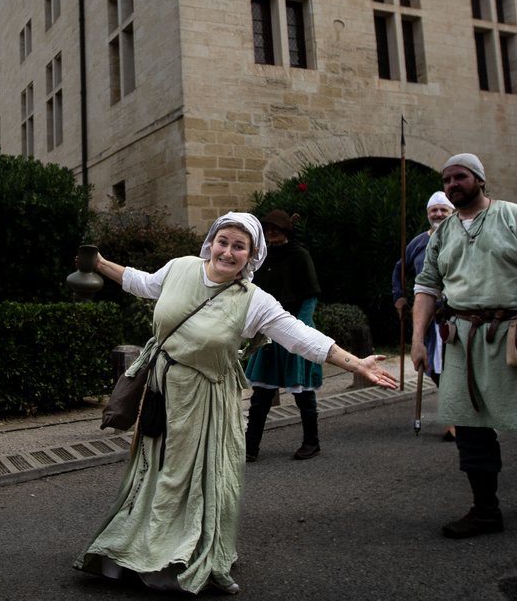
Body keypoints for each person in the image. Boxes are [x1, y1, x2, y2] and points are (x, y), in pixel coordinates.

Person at [74, 212, 398, 594]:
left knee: (185, 477)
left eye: (239, 247)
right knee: (151, 469)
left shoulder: (254, 301)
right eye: (223, 241)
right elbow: (141, 282)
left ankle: (170, 556)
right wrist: (98, 264)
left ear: (252, 256)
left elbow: (300, 336)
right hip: (162, 389)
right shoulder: (181, 268)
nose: (227, 252)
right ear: (210, 241)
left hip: (205, 399)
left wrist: (355, 362)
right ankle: (129, 548)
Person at [411, 153, 517, 539]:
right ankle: (485, 510)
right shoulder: (442, 233)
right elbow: (427, 287)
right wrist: (418, 339)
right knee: (470, 430)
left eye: (461, 177)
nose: (453, 183)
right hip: (460, 339)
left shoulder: (516, 218)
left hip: (513, 333)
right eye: (448, 179)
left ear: (480, 180)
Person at [244, 209, 325, 461]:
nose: (270, 233)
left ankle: (312, 443)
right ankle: (250, 448)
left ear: (286, 231)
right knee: (261, 396)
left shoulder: (300, 256)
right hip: (268, 331)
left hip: (295, 328)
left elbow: (310, 296)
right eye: (267, 229)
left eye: (275, 229)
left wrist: (300, 330)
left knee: (303, 393)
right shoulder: (261, 259)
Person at [392, 191, 457, 440]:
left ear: (452, 212)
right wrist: (399, 296)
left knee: (460, 368)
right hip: (431, 317)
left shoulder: (461, 238)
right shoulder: (419, 242)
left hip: (460, 315)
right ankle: (454, 419)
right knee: (437, 369)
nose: (439, 214)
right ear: (428, 214)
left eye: (444, 210)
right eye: (434, 210)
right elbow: (401, 268)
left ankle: (459, 421)